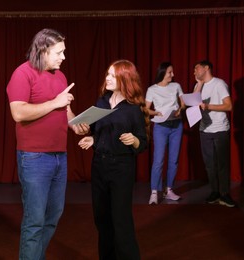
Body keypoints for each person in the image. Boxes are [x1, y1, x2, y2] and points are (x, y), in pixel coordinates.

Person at [6, 28, 89, 260]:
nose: (63, 57)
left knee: (53, 217)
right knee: (35, 221)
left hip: (59, 157)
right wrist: (55, 102)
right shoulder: (22, 74)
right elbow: (18, 113)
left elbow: (65, 109)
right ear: (43, 50)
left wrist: (76, 124)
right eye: (59, 52)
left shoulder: (60, 76)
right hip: (33, 158)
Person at [78, 60, 149, 260]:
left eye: (112, 75)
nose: (107, 78)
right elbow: (99, 132)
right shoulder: (101, 102)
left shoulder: (133, 108)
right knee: (101, 220)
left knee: (121, 221)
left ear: (124, 78)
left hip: (122, 168)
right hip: (99, 165)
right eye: (107, 74)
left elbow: (142, 142)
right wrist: (92, 137)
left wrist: (134, 140)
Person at [193, 60, 235, 207]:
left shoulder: (219, 84)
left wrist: (208, 106)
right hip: (204, 130)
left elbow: (229, 105)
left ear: (206, 68)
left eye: (196, 68)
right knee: (209, 164)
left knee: (222, 163)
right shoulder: (198, 86)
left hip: (220, 129)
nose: (194, 72)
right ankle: (215, 191)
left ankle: (224, 194)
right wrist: (198, 84)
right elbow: (193, 103)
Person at [145, 62, 185, 205]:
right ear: (163, 73)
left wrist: (180, 109)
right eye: (170, 72)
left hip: (176, 125)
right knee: (158, 160)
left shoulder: (176, 86)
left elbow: (183, 103)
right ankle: (154, 192)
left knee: (173, 160)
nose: (172, 75)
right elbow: (145, 109)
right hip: (161, 126)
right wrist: (156, 112)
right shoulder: (152, 89)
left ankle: (169, 190)